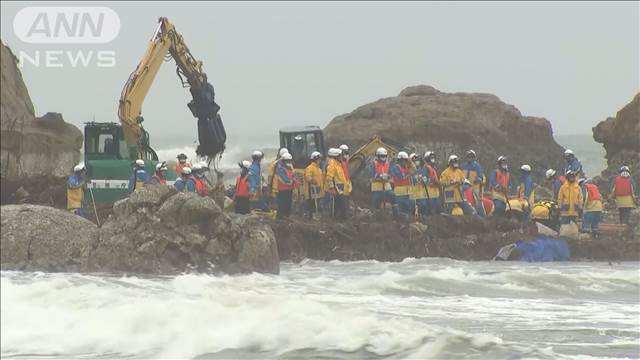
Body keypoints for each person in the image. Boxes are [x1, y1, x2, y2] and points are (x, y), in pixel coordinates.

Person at [368, 147, 397, 217]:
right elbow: (371, 174)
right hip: (376, 188)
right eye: (381, 156)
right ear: (377, 156)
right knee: (375, 202)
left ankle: (396, 215)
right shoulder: (373, 164)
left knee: (393, 196)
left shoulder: (388, 164)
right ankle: (375, 217)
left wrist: (388, 176)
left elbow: (391, 173)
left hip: (387, 187)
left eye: (384, 156)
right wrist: (379, 176)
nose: (383, 158)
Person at [326, 148, 349, 220]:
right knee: (342, 206)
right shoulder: (332, 165)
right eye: (340, 156)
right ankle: (340, 219)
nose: (341, 157)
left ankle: (339, 219)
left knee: (340, 206)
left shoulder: (338, 164)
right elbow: (329, 177)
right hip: (337, 189)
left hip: (340, 188)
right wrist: (332, 188)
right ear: (336, 156)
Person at [391, 151, 415, 216]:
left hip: (407, 193)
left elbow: (414, 171)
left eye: (406, 161)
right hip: (399, 193)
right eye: (405, 161)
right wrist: (409, 174)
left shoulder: (406, 168)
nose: (406, 162)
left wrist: (411, 164)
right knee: (401, 210)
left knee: (409, 208)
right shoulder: (395, 168)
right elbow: (401, 177)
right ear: (400, 160)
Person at [276, 152, 298, 219]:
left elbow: (293, 175)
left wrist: (294, 179)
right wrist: (291, 181)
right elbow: (284, 179)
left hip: (289, 188)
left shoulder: (290, 167)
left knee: (288, 202)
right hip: (283, 189)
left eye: (290, 160)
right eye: (288, 161)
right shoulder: (280, 168)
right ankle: (281, 216)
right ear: (284, 161)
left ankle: (286, 215)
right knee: (283, 203)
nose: (289, 162)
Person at [304, 151, 324, 219]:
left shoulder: (319, 169)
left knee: (317, 204)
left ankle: (315, 216)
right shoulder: (310, 168)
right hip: (311, 191)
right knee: (311, 204)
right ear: (315, 159)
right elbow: (308, 177)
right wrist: (312, 180)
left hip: (317, 190)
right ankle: (310, 217)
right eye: (319, 159)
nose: (320, 161)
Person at [422, 151, 441, 215]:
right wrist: (432, 180)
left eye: (433, 157)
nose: (433, 159)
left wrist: (438, 182)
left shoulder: (434, 168)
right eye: (431, 158)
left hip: (435, 193)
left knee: (438, 209)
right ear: (427, 159)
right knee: (431, 211)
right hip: (429, 193)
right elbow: (424, 180)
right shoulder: (425, 167)